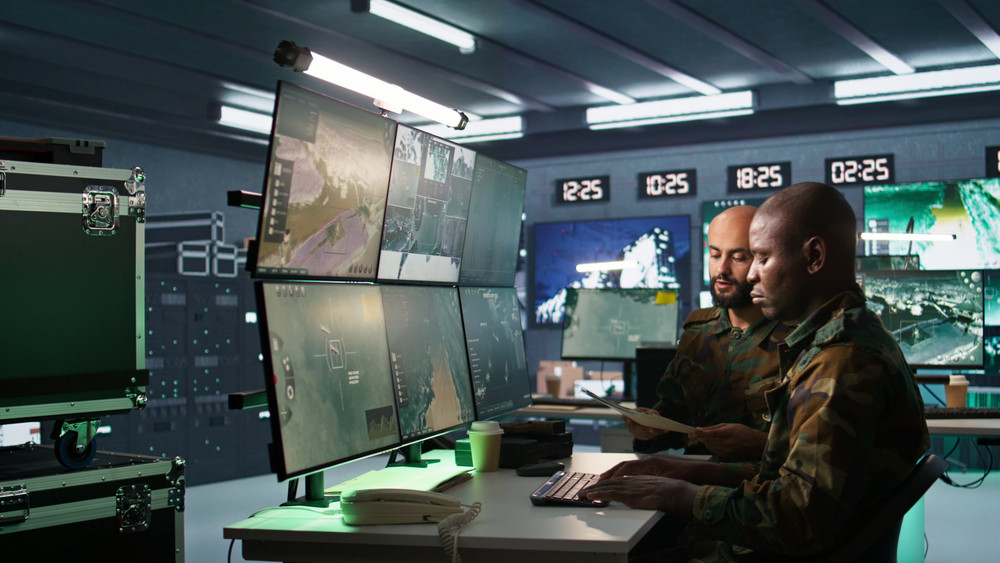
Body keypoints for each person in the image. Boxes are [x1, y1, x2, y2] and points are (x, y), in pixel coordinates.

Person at [584, 182, 930, 560]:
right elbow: (788, 479)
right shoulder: (839, 339)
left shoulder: (842, 360)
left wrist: (679, 494)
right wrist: (689, 473)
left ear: (814, 256)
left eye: (761, 257)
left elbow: (797, 518)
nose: (750, 275)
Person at [627, 205, 793, 461]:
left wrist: (764, 445)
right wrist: (652, 426)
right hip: (692, 486)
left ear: (763, 261)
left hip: (759, 491)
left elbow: (819, 453)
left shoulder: (796, 338)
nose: (721, 270)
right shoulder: (698, 332)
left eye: (738, 258)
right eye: (715, 255)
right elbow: (674, 411)